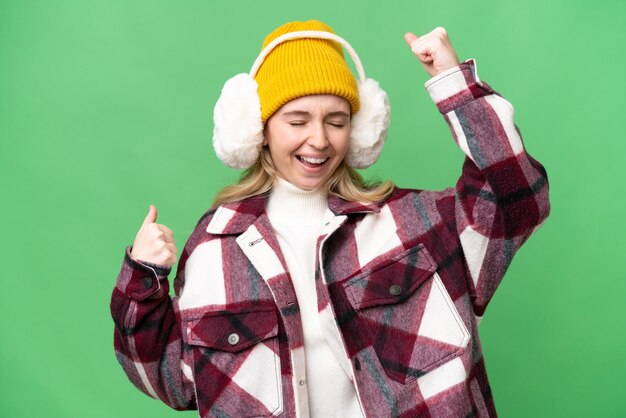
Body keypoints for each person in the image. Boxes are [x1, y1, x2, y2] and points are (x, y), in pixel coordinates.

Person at [111, 20, 550, 418]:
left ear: (359, 129)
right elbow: (172, 382)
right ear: (258, 129)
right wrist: (141, 281)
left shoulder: (414, 224)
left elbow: (517, 198)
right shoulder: (214, 248)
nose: (318, 140)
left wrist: (455, 85)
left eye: (336, 121)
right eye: (297, 120)